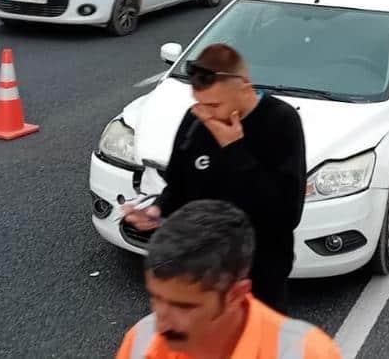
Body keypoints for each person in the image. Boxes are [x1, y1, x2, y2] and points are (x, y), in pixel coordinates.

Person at [123, 44, 306, 312]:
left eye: (214, 104)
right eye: (200, 103)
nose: (204, 112)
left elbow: (286, 215)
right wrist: (156, 209)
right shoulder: (196, 118)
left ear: (245, 88)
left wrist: (234, 150)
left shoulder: (280, 122)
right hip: (199, 275)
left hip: (258, 278)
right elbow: (179, 186)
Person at [116, 200, 341, 359]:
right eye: (157, 298)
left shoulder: (309, 353)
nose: (161, 322)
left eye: (184, 306)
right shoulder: (140, 342)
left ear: (236, 295)